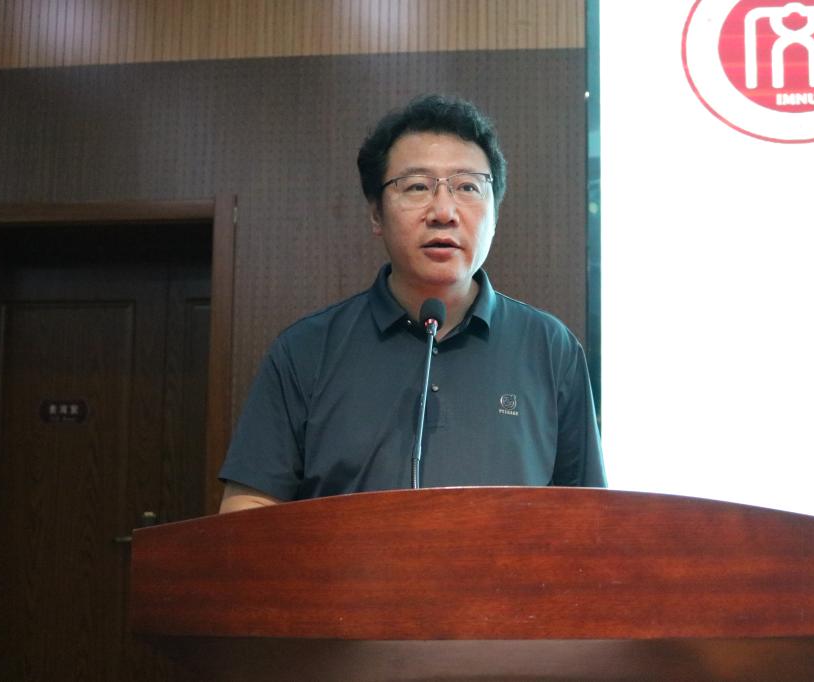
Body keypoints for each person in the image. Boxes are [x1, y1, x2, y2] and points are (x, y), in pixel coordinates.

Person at [219, 94, 605, 512]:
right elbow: (248, 508)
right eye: (418, 186)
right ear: (376, 214)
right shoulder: (305, 351)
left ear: (495, 214)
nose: (444, 211)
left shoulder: (551, 349)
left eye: (467, 187)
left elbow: (590, 518)